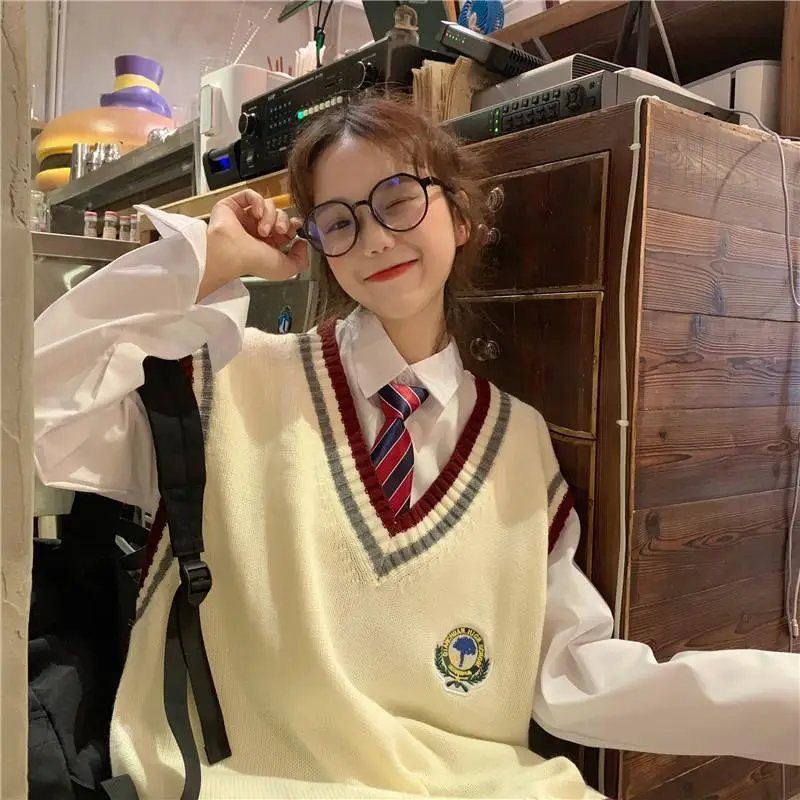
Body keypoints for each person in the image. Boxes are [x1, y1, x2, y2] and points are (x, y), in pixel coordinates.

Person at [34, 95, 800, 799]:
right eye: (339, 221)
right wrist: (212, 258)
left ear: (460, 215)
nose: (374, 238)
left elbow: (570, 676)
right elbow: (34, 414)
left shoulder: (518, 442)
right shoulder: (231, 384)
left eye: (398, 199)